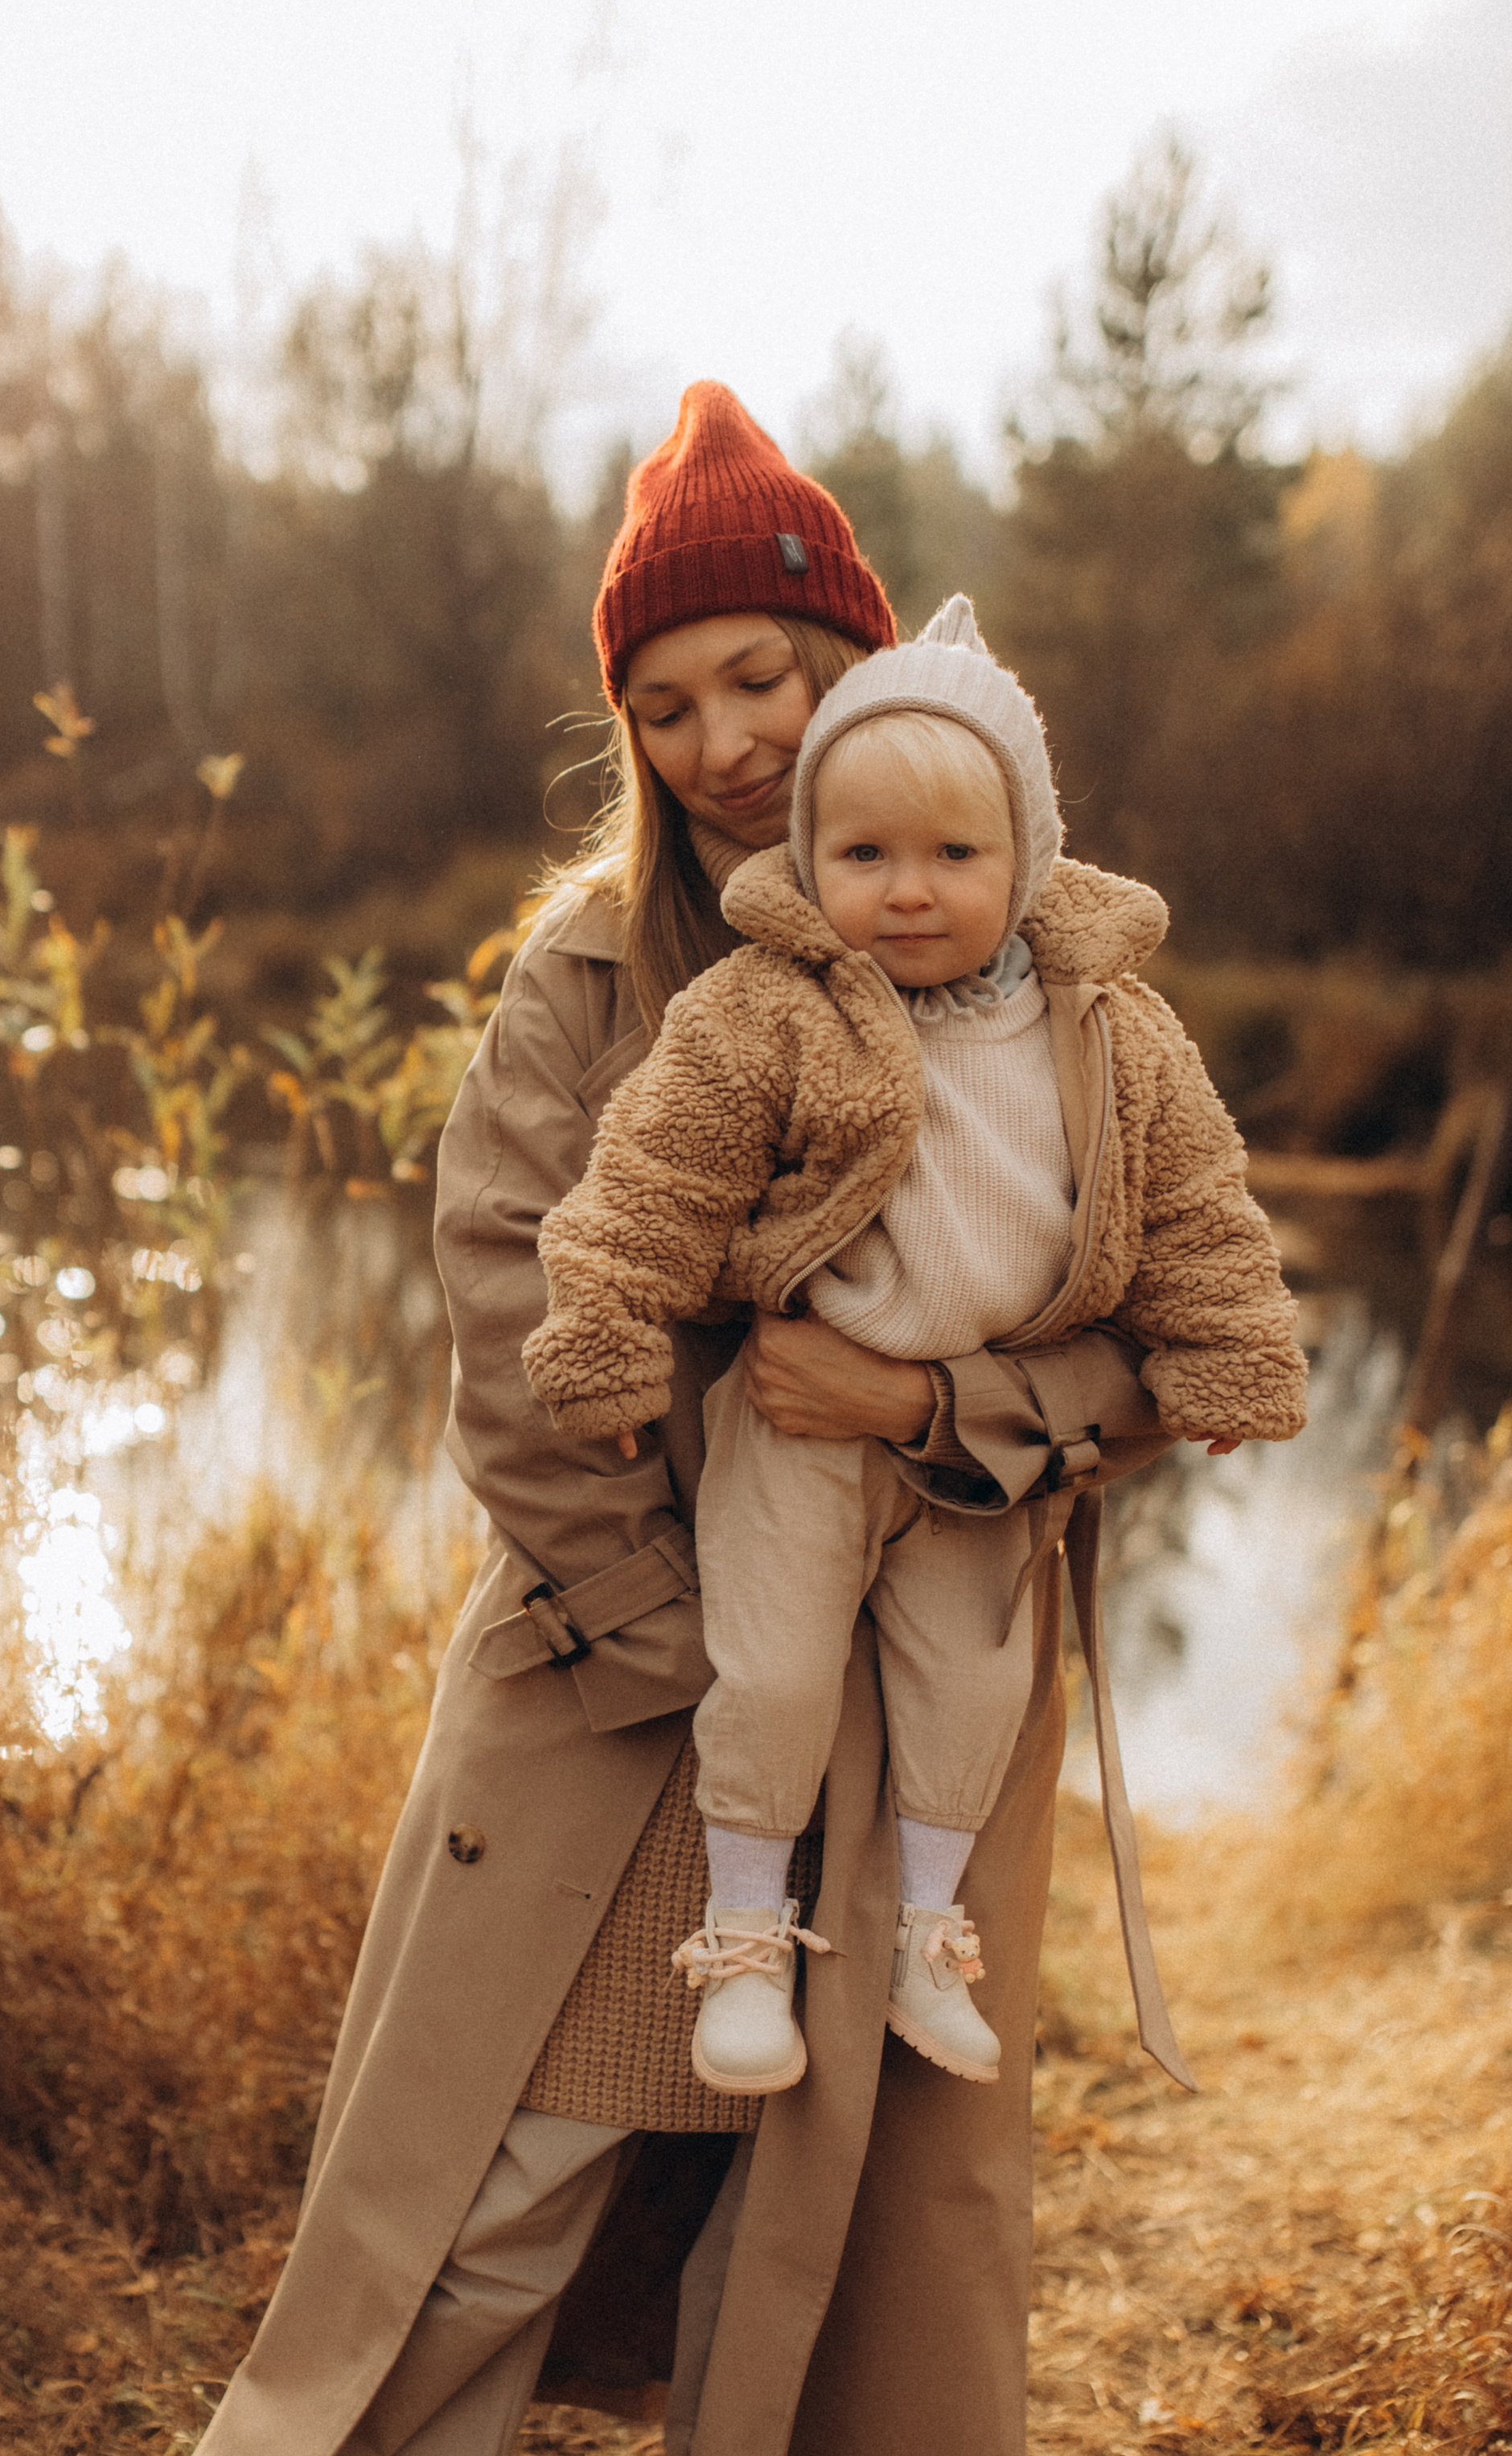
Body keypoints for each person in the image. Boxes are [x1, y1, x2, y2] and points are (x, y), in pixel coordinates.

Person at [94, 383, 1211, 2456]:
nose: (725, 740)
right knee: (493, 2177)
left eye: (767, 679)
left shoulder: (1037, 970)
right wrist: (690, 1636)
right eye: (672, 698)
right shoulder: (589, 981)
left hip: (911, 1700)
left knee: (864, 2186)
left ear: (864, 670)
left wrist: (934, 1404)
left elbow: (1171, 1328)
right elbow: (508, 1328)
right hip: (628, 1694)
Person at [523, 599, 1306, 2097]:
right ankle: (745, 1941)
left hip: (974, 1447)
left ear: (1029, 860)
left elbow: (1197, 1204)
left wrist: (1228, 1357)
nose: (908, 893)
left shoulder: (1110, 1027)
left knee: (974, 1685)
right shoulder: (774, 1006)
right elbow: (655, 1175)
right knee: (769, 1669)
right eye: (866, 856)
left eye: (956, 857)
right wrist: (607, 1328)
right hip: (806, 1419)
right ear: (811, 862)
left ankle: (923, 1933)